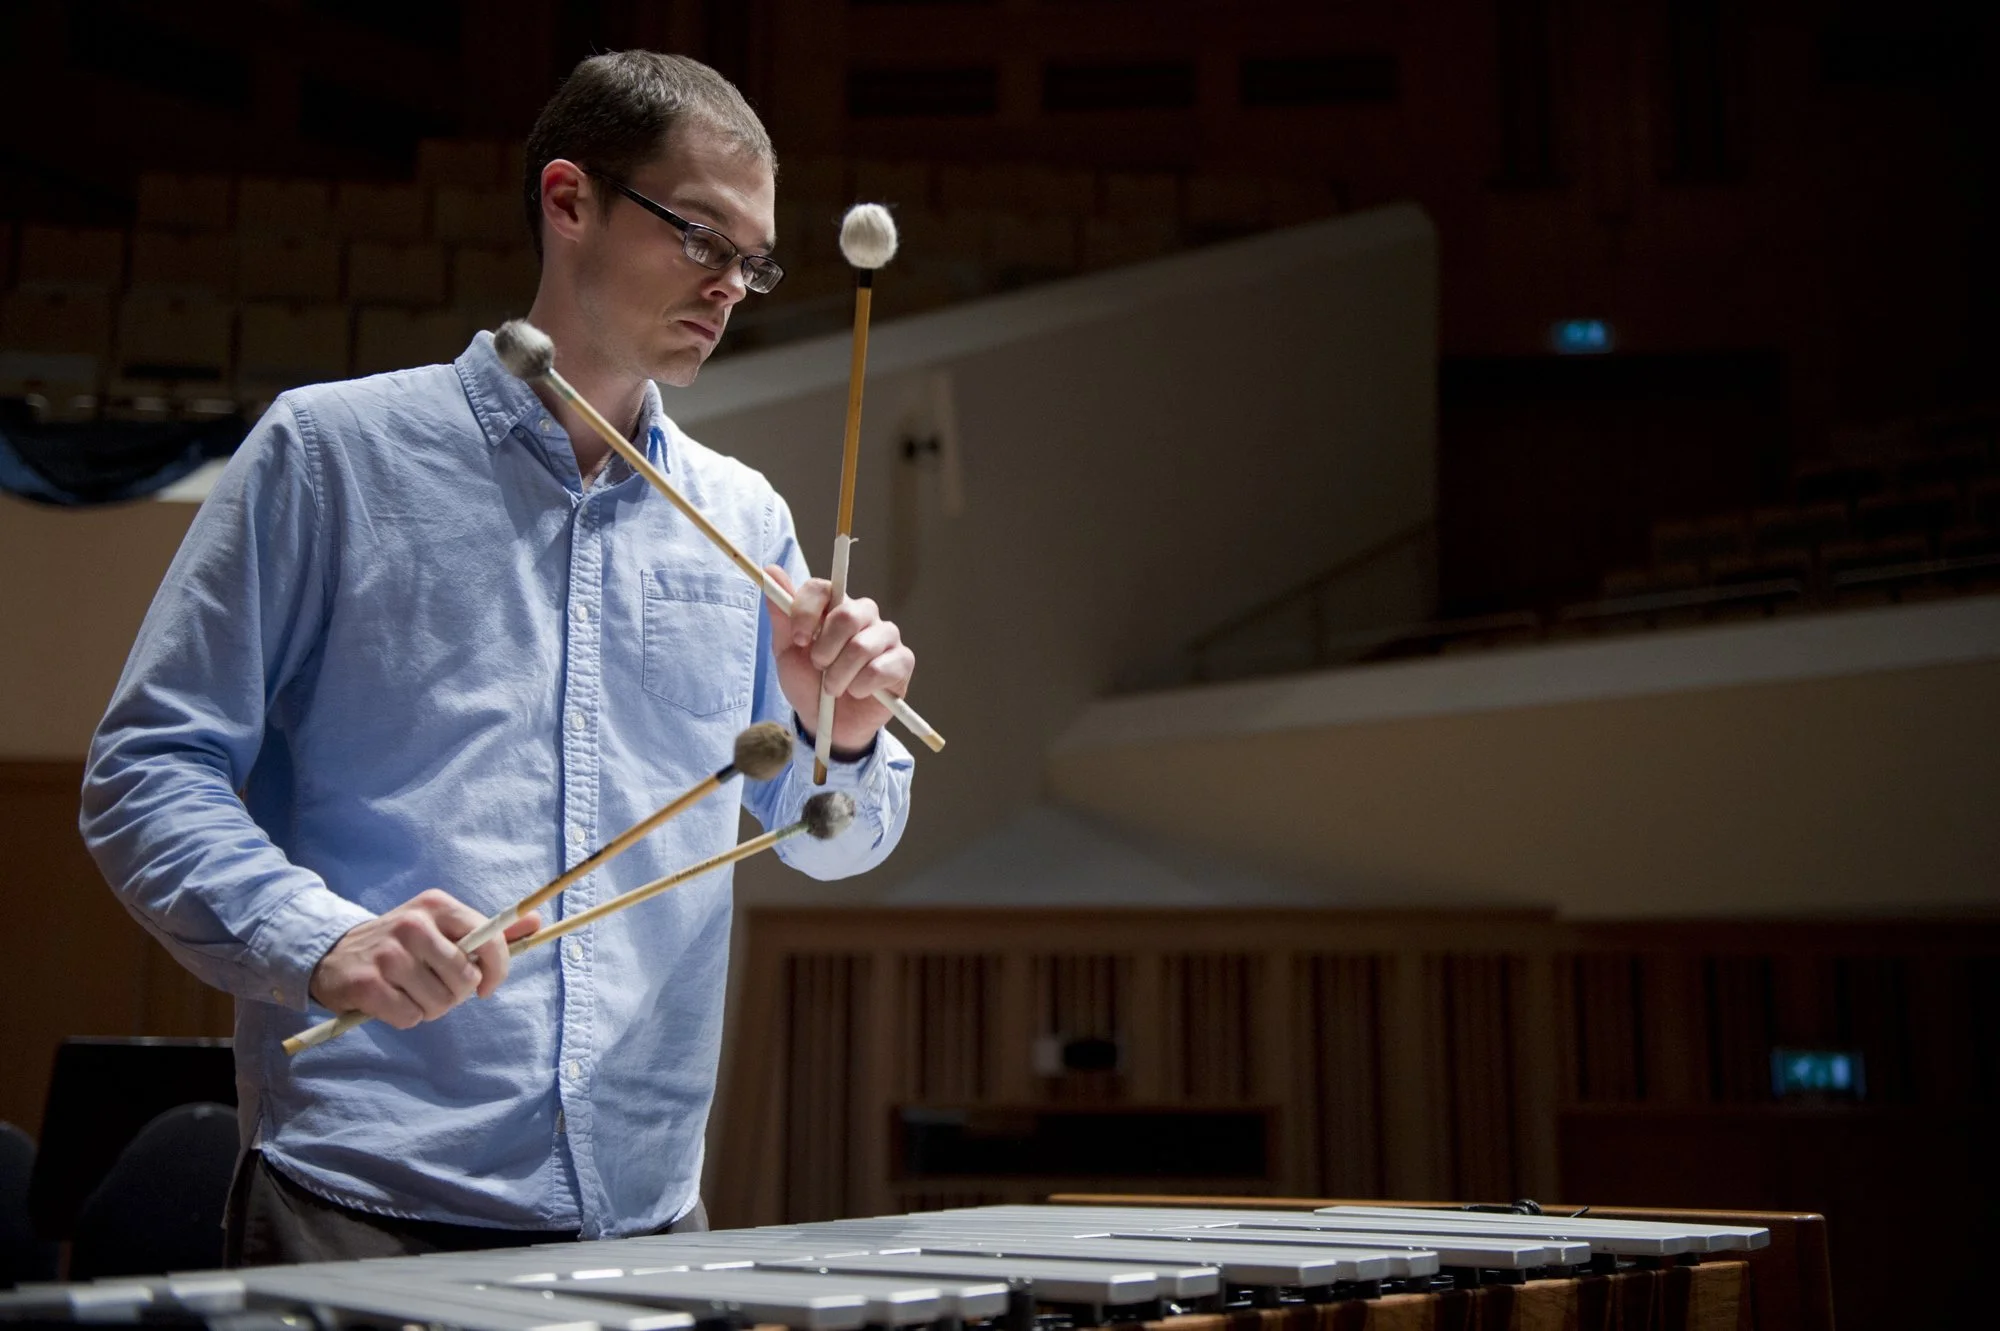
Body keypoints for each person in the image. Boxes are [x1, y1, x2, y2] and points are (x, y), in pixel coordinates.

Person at [79, 51, 915, 1263]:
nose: (732, 286)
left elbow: (842, 841)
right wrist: (321, 939)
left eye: (757, 260)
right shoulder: (333, 454)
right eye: (700, 237)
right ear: (568, 199)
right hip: (357, 1195)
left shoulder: (745, 521)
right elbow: (148, 771)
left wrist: (842, 728)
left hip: (643, 1210)